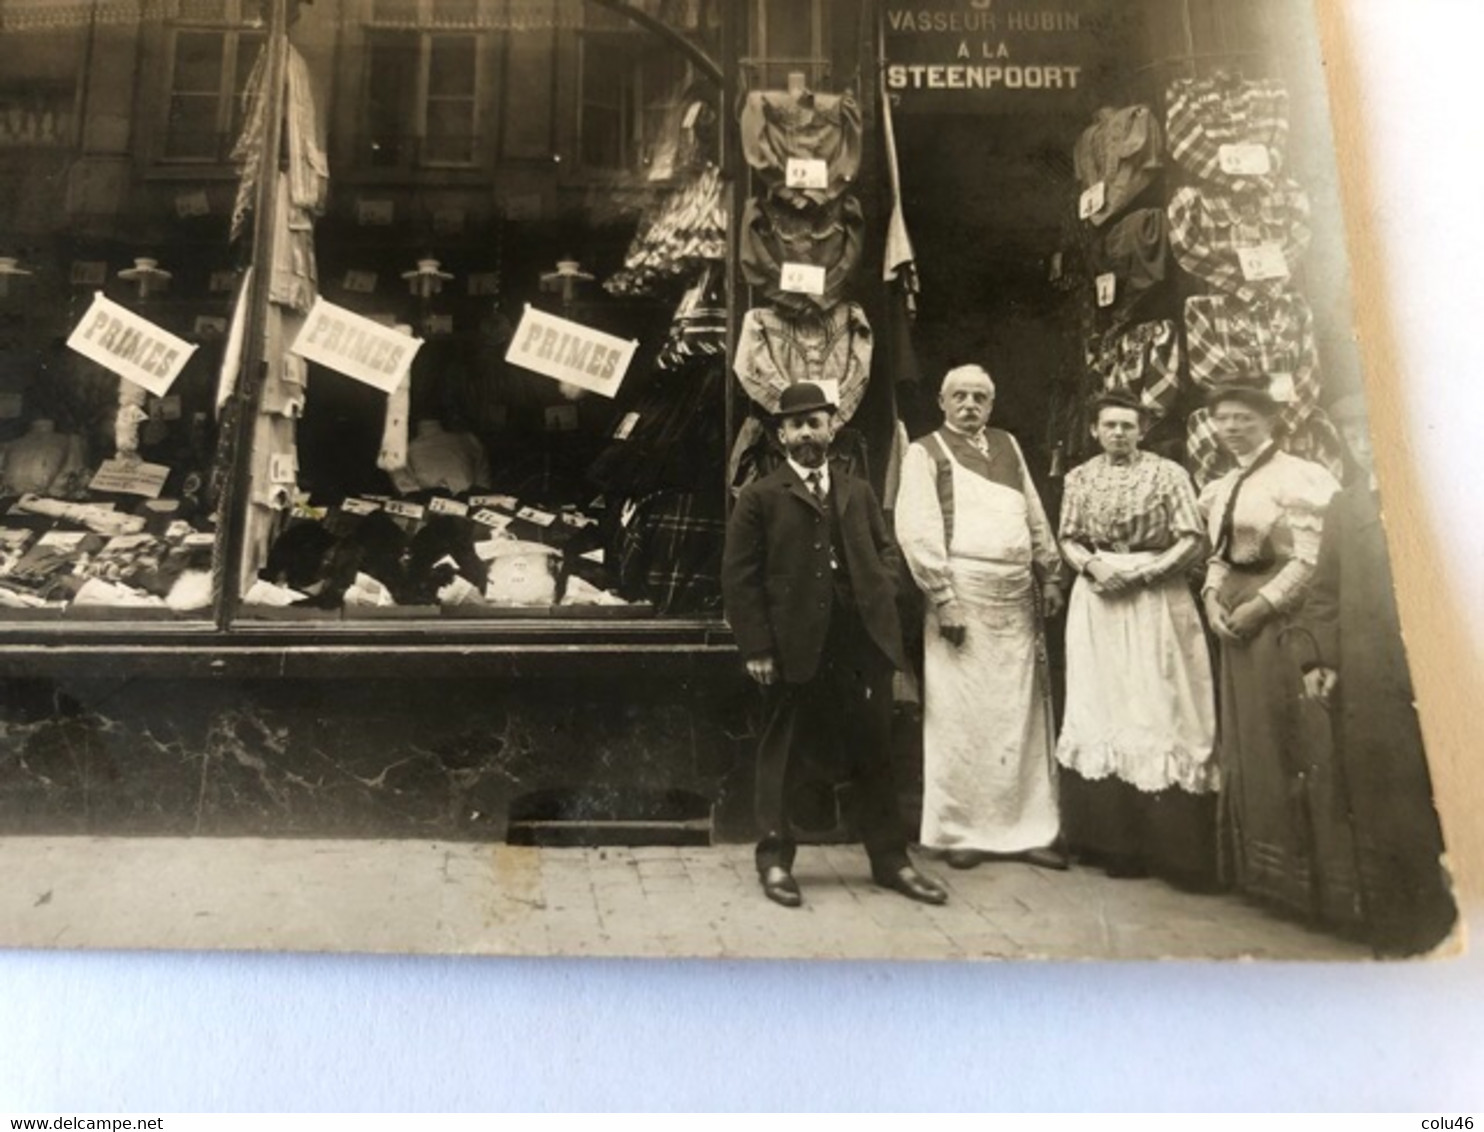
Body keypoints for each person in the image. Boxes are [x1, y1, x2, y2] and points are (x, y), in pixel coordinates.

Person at [721, 381, 948, 909]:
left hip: (859, 643)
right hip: (792, 645)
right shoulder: (760, 497)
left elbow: (887, 551)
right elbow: (740, 578)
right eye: (796, 425)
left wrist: (880, 589)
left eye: (815, 423)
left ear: (832, 429)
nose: (806, 433)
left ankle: (891, 862)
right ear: (780, 436)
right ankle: (776, 861)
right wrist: (756, 647)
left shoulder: (857, 490)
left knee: (874, 750)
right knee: (782, 753)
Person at [1297, 393, 1456, 954]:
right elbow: (1323, 595)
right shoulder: (1346, 508)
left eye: (1377, 433)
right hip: (1370, 687)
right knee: (1378, 807)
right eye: (1356, 437)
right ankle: (1394, 936)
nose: (1367, 446)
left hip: (1443, 681)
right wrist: (1319, 660)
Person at [894, 364, 1067, 871]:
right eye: (960, 397)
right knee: (962, 715)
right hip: (961, 597)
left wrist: (1050, 573)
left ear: (991, 405)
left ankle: (1028, 830)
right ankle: (963, 830)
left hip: (1016, 598)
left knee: (1021, 714)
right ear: (942, 403)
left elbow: (1032, 512)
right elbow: (916, 529)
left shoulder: (1009, 445)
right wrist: (943, 596)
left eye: (980, 398)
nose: (970, 406)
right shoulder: (924, 452)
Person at [1197, 378, 1351, 925]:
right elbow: (1218, 555)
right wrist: (1213, 600)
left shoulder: (1300, 477)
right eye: (1223, 418)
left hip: (1281, 621)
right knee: (1248, 737)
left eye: (1244, 417)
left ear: (1270, 422)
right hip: (1233, 618)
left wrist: (1259, 607)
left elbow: (1309, 559)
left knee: (1287, 735)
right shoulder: (1221, 484)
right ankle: (1258, 876)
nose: (1233, 427)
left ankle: (1309, 885)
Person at [1055, 391, 1219, 888]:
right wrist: (1094, 565)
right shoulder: (1079, 478)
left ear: (1142, 430)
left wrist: (1148, 573)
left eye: (1128, 426)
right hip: (1100, 594)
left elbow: (1193, 537)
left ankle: (1178, 854)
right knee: (1105, 703)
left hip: (1156, 595)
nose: (1119, 434)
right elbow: (1068, 536)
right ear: (1095, 431)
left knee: (1161, 701)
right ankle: (1114, 845)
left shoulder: (1169, 474)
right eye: (1110, 426)